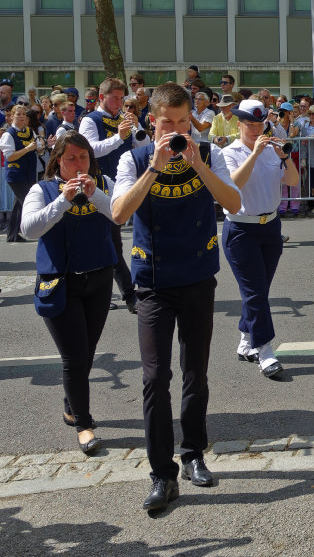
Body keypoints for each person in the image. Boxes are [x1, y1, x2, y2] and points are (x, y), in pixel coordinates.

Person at [111, 82, 242, 513]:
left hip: (198, 276)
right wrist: (155, 166)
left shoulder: (210, 154)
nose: (176, 129)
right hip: (151, 280)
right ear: (154, 121)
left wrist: (197, 164)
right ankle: (160, 474)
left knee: (195, 373)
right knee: (154, 378)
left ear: (192, 120)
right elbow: (118, 213)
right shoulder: (134, 159)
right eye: (168, 123)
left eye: (183, 122)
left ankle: (193, 454)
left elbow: (233, 203)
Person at [21, 132, 117, 454]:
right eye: (71, 158)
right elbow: (28, 229)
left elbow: (120, 213)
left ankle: (69, 403)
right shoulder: (42, 189)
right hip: (61, 283)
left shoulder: (104, 184)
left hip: (100, 278)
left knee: (87, 353)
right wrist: (62, 200)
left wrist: (95, 196)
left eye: (84, 158)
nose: (79, 165)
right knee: (74, 358)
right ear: (58, 161)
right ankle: (84, 424)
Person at [221, 100, 299, 379]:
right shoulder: (228, 152)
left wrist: (284, 156)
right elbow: (233, 184)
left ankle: (246, 341)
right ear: (239, 124)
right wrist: (253, 154)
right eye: (250, 125)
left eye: (260, 124)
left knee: (259, 290)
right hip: (241, 230)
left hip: (270, 227)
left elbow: (292, 180)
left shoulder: (272, 151)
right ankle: (264, 349)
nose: (256, 130)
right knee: (254, 292)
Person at [80, 78, 138, 312]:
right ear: (102, 97)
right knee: (110, 243)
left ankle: (103, 292)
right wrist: (118, 137)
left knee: (112, 244)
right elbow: (90, 149)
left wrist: (138, 129)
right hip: (98, 187)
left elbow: (138, 145)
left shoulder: (121, 119)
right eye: (114, 98)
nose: (119, 102)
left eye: (121, 98)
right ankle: (129, 295)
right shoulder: (90, 120)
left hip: (122, 186)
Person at [2, 104, 39, 242]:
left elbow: (37, 148)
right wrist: (28, 149)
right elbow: (10, 156)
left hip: (28, 172)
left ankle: (12, 234)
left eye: (24, 114)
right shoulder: (8, 134)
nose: (22, 117)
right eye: (18, 114)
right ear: (12, 117)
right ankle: (38, 230)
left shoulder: (30, 131)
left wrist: (44, 145)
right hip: (16, 174)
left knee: (18, 204)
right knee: (28, 201)